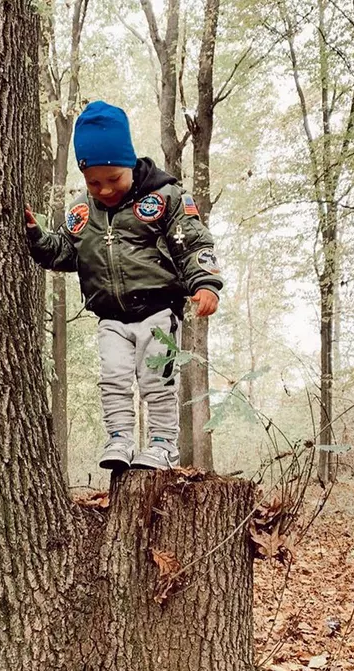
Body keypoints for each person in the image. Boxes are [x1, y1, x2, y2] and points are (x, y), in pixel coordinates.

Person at [25, 100, 222, 471]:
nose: (104, 190)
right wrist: (37, 236)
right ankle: (120, 439)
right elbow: (67, 252)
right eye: (93, 182)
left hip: (158, 311)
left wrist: (206, 284)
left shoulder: (166, 197)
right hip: (109, 316)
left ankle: (163, 445)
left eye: (113, 179)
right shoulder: (83, 209)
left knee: (156, 380)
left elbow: (194, 243)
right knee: (113, 378)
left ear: (129, 161)